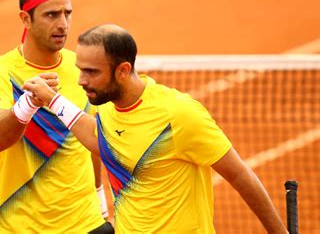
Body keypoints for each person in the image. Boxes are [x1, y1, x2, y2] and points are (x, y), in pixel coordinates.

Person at [23, 24, 288, 233]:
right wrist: (52, 99)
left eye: (92, 72)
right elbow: (98, 138)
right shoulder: (108, 108)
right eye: (80, 70)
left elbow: (240, 175)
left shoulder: (178, 114)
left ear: (123, 70)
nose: (81, 80)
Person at [0, 0, 112, 233]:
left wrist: (99, 198)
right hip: (21, 227)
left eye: (67, 13)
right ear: (25, 19)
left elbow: (92, 137)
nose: (63, 24)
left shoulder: (82, 68)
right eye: (51, 15)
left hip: (85, 224)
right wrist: (28, 103)